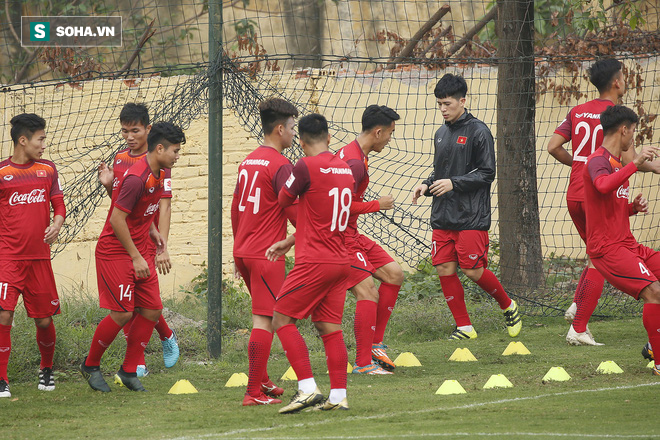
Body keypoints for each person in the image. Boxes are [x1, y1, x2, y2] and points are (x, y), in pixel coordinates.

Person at [547, 59, 660, 345]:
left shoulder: (578, 110)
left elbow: (552, 147)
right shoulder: (616, 116)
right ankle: (579, 322)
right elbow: (626, 160)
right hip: (601, 191)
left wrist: (579, 166)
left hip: (576, 193)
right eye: (623, 76)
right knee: (601, 254)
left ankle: (578, 305)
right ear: (617, 82)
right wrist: (653, 165)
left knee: (596, 254)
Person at [412, 73, 521, 340]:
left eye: (447, 103)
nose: (442, 109)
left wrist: (453, 183)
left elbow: (487, 173)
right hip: (443, 215)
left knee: (472, 270)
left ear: (462, 101)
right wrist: (426, 184)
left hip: (471, 215)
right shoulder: (440, 133)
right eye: (439, 103)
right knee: (444, 269)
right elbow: (442, 172)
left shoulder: (479, 131)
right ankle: (465, 327)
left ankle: (508, 305)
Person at [81, 122, 185, 392]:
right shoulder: (136, 177)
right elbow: (117, 219)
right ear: (159, 148)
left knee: (152, 310)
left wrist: (154, 234)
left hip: (139, 250)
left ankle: (129, 371)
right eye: (175, 150)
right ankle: (90, 365)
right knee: (123, 313)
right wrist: (136, 256)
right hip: (116, 252)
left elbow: (144, 211)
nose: (177, 155)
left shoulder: (161, 173)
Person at [268, 113, 355, 413]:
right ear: (329, 138)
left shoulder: (304, 165)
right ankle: (338, 395)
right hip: (341, 260)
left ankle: (306, 388)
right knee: (329, 327)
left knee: (281, 319)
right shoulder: (346, 169)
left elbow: (283, 199)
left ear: (301, 143)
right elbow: (324, 214)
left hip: (315, 261)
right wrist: (294, 238)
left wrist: (296, 233)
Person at [582, 104, 660, 376]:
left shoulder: (614, 164)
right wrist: (636, 164)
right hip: (607, 250)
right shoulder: (598, 161)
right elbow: (603, 185)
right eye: (634, 132)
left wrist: (631, 208)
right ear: (624, 130)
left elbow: (607, 203)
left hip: (627, 244)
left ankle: (654, 345)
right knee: (654, 292)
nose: (633, 139)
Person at [231, 97, 299, 406]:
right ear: (281, 129)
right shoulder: (282, 165)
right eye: (294, 128)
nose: (295, 134)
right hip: (267, 254)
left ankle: (263, 380)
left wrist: (236, 252)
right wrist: (300, 236)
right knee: (267, 319)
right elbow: (296, 212)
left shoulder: (249, 160)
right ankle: (252, 393)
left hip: (245, 252)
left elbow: (235, 209)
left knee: (266, 316)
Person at [0, 114, 65, 398]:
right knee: (4, 315)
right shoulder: (2, 172)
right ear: (23, 140)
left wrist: (57, 224)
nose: (43, 144)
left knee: (44, 320)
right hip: (8, 258)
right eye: (40, 139)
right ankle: (1, 379)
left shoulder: (48, 169)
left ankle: (47, 369)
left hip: (39, 258)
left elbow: (59, 206)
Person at [335, 105, 403, 374]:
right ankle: (363, 363)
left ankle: (376, 344)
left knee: (394, 274)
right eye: (390, 134)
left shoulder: (355, 154)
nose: (389, 139)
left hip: (352, 233)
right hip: (340, 237)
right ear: (378, 132)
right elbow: (339, 206)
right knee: (368, 292)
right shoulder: (353, 164)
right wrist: (377, 204)